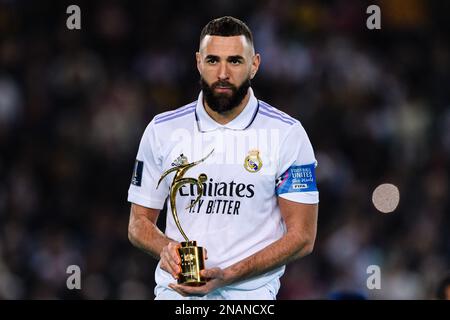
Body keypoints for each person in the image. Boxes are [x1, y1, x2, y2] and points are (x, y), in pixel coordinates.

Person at [127, 16, 319, 300]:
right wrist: (166, 248)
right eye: (213, 60)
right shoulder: (162, 130)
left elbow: (302, 237)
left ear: (254, 65)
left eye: (236, 61)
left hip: (250, 297)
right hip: (178, 295)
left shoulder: (287, 134)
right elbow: (138, 223)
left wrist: (230, 275)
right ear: (198, 62)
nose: (223, 73)